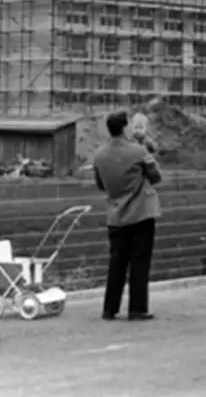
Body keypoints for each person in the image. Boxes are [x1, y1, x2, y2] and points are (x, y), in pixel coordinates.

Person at [92, 110, 162, 321]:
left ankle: (110, 308)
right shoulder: (138, 152)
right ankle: (137, 308)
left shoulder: (99, 155)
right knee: (139, 261)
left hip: (115, 216)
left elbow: (100, 185)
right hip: (141, 213)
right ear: (124, 128)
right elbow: (156, 176)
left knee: (117, 262)